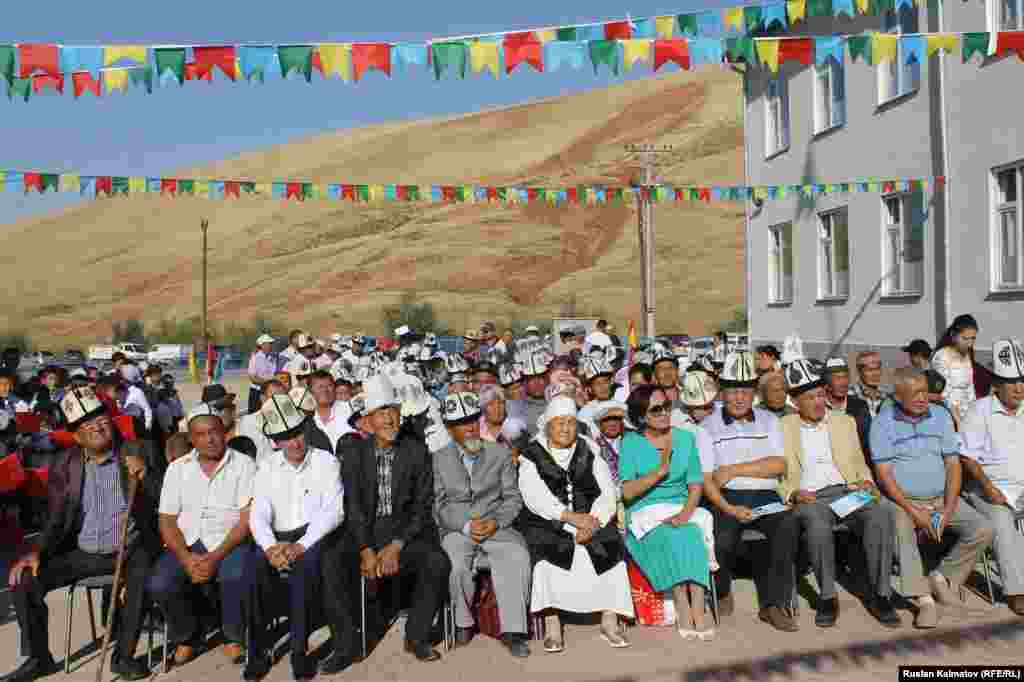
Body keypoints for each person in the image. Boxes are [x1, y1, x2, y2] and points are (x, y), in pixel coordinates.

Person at [4, 387, 161, 682]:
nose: (97, 427)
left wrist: (145, 476)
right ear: (76, 436)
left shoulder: (139, 450)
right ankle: (39, 658)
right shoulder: (64, 464)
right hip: (83, 552)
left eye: (101, 420)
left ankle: (123, 657)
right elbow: (54, 518)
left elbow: (164, 501)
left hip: (129, 549)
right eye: (87, 426)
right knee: (24, 580)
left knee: (141, 575)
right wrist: (36, 552)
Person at [318, 374, 451, 673]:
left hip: (404, 532)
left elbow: (422, 506)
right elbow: (352, 506)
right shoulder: (354, 454)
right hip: (364, 531)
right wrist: (365, 548)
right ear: (368, 421)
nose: (389, 419)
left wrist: (396, 545)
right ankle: (344, 646)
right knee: (332, 561)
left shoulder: (416, 451)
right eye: (381, 413)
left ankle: (416, 637)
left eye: (393, 411)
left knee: (436, 561)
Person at [778, 359, 901, 629]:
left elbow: (858, 462)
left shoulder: (844, 421)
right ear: (796, 402)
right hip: (811, 497)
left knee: (880, 512)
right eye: (810, 397)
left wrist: (867, 482)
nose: (818, 402)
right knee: (817, 524)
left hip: (847, 491)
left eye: (821, 395)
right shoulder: (783, 426)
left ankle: (881, 593)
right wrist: (793, 493)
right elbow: (778, 474)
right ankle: (827, 597)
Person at [870, 368, 994, 629]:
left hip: (940, 497)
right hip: (902, 500)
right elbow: (884, 475)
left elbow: (953, 465)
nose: (922, 398)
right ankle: (924, 600)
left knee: (983, 528)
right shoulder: (883, 422)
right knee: (902, 529)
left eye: (925, 391)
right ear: (899, 396)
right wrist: (913, 511)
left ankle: (942, 577)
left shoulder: (940, 416)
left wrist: (948, 508)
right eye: (915, 393)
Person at [516, 396, 634, 652]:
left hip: (590, 520)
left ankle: (609, 621)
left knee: (610, 550)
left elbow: (606, 493)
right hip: (550, 522)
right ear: (548, 426)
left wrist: (593, 522)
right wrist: (570, 519)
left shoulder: (589, 449)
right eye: (559, 423)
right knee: (548, 557)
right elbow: (535, 497)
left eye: (570, 422)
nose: (566, 428)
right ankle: (552, 624)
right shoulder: (531, 454)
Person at [149, 403, 259, 668]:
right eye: (200, 434)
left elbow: (246, 519)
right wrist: (186, 558)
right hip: (187, 544)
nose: (209, 439)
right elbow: (166, 520)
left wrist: (215, 556)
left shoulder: (244, 465)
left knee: (235, 574)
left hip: (229, 542)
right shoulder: (178, 468)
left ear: (225, 433)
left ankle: (233, 635)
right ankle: (188, 636)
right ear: (191, 439)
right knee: (160, 583)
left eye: (214, 432)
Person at [699, 350, 801, 632]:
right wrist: (730, 508)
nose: (739, 398)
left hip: (766, 496)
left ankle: (773, 604)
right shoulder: (707, 427)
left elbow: (779, 465)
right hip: (725, 498)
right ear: (722, 392)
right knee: (722, 537)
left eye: (745, 390)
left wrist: (733, 469)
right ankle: (722, 590)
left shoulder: (770, 421)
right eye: (732, 391)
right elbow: (708, 479)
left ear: (754, 392)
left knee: (787, 527)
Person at [247, 394, 344, 681]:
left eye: (298, 433)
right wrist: (269, 548)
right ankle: (257, 652)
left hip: (312, 536)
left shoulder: (325, 461)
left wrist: (302, 545)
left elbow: (334, 511)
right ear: (276, 441)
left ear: (306, 430)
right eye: (286, 437)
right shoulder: (267, 465)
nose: (295, 442)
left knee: (302, 576)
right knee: (250, 573)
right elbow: (258, 512)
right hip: (275, 539)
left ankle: (299, 651)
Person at [434, 392, 531, 658]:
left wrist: (496, 522)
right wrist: (465, 526)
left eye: (473, 420)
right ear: (449, 428)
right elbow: (439, 505)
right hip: (458, 529)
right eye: (462, 423)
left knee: (516, 554)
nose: (470, 427)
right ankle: (463, 624)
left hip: (496, 526)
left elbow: (513, 498)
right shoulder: (438, 458)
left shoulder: (499, 453)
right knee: (454, 562)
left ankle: (513, 632)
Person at [620, 385, 712, 640]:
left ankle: (698, 605)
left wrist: (685, 513)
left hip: (681, 506)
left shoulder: (685, 438)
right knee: (673, 536)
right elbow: (627, 492)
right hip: (645, 511)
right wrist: (658, 473)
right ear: (641, 417)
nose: (664, 413)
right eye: (655, 410)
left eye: (666, 407)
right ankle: (683, 603)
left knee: (689, 532)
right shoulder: (631, 442)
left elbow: (695, 484)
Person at [959, 338, 1024, 616]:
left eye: (1023, 382)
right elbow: (967, 457)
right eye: (1012, 383)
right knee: (1000, 517)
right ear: (996, 385)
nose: (1020, 389)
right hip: (986, 488)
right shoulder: (979, 410)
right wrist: (988, 487)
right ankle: (1016, 590)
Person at [933, 314, 982, 426]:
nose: (969, 344)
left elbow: (970, 387)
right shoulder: (942, 356)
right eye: (965, 338)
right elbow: (944, 393)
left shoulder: (967, 355)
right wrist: (957, 420)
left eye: (973, 338)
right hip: (949, 415)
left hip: (967, 413)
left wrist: (975, 411)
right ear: (953, 336)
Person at [823, 357, 872, 464]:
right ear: (826, 383)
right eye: (837, 378)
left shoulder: (860, 406)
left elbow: (867, 444)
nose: (843, 383)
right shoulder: (819, 406)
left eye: (845, 377)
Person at [237, 380, 287, 465]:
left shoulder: (289, 421)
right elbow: (261, 456)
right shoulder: (249, 422)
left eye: (282, 398)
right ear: (262, 398)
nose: (278, 402)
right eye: (273, 397)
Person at [307, 370, 352, 455]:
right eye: (320, 387)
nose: (325, 390)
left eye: (329, 386)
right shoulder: (308, 422)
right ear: (311, 392)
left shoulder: (350, 409)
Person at [591, 401, 627, 485]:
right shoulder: (593, 446)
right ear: (599, 424)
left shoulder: (631, 442)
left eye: (616, 419)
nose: (612, 424)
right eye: (607, 420)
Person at [850, 352, 893, 418]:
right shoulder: (849, 395)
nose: (875, 374)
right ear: (859, 371)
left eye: (877, 369)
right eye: (869, 370)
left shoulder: (887, 398)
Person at [247, 334, 278, 415]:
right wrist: (266, 383)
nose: (271, 346)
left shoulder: (273, 358)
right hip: (257, 392)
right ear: (262, 345)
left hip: (270, 391)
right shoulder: (255, 358)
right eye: (269, 343)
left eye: (271, 344)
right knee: (255, 415)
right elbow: (252, 378)